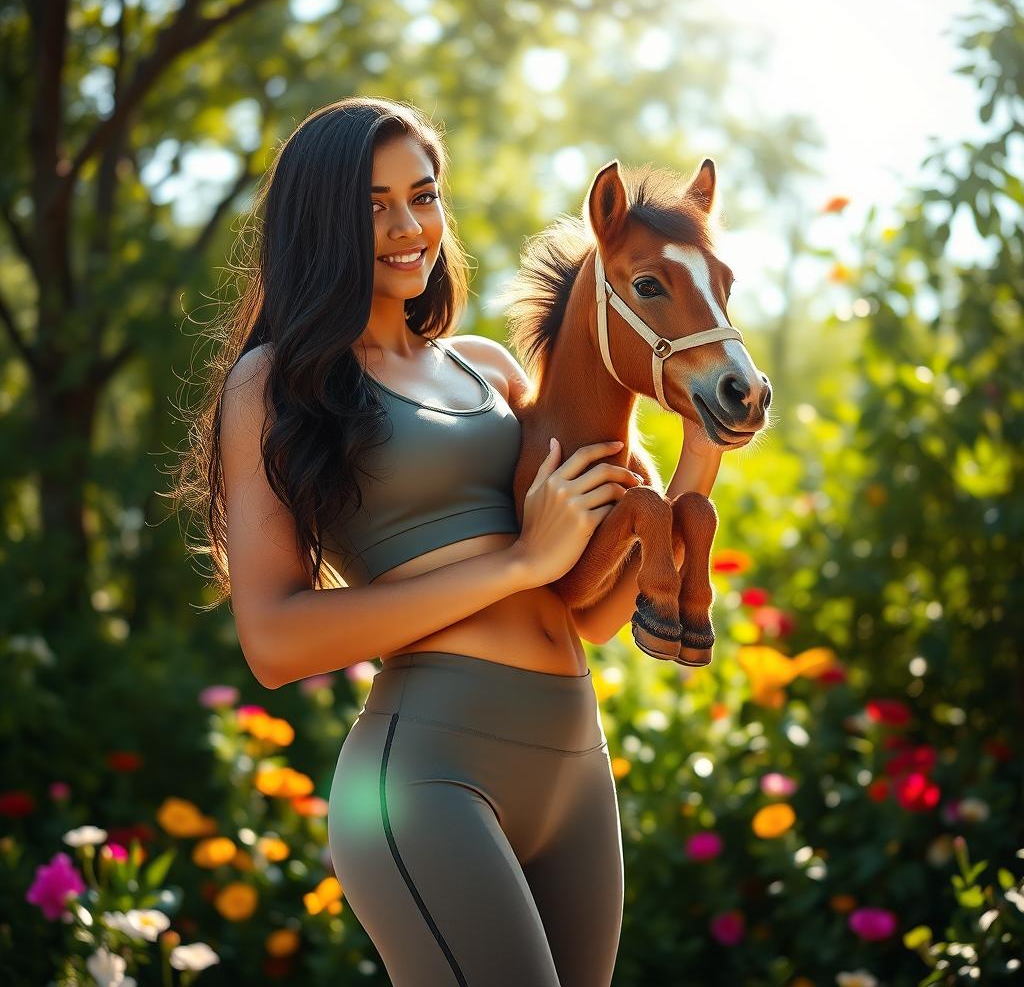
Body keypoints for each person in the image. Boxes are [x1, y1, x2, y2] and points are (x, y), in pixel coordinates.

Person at [204, 97, 716, 986]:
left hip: (573, 763)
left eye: (424, 194)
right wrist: (517, 562)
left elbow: (589, 616)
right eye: (373, 204)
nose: (408, 226)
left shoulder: (491, 370)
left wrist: (698, 457)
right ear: (321, 220)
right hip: (426, 771)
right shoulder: (276, 383)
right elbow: (275, 641)